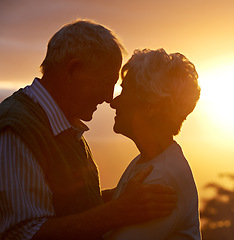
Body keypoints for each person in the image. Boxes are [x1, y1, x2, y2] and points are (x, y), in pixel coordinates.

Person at [0, 20, 176, 240]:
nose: (109, 97)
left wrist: (114, 199)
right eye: (105, 83)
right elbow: (24, 233)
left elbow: (59, 206)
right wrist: (118, 211)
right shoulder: (17, 129)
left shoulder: (60, 124)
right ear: (74, 70)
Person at [106, 48, 201, 239]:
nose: (114, 102)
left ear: (151, 106)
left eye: (125, 91)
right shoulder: (148, 161)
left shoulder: (160, 181)